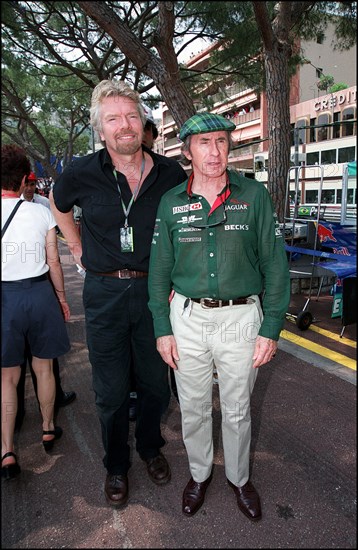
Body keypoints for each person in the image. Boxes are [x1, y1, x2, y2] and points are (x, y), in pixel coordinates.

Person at [49, 79, 187, 508]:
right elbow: (58, 203)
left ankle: (149, 448)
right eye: (113, 119)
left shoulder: (169, 174)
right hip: (104, 291)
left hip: (154, 292)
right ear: (100, 128)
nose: (124, 126)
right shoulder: (81, 172)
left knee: (155, 385)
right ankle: (115, 464)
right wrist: (73, 243)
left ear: (142, 121)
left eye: (131, 116)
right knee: (109, 391)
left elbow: (185, 229)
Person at [148, 112, 291, 520]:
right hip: (188, 318)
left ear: (230, 146)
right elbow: (159, 271)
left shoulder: (254, 195)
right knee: (192, 405)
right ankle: (198, 474)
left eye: (222, 142)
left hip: (242, 318)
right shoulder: (171, 203)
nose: (214, 151)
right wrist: (163, 328)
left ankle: (240, 478)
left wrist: (271, 328)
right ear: (187, 150)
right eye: (204, 143)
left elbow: (275, 266)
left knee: (238, 407)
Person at [1, 144, 71, 480]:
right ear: (21, 178)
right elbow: (54, 261)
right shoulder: (40, 212)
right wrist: (61, 297)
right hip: (40, 293)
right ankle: (47, 427)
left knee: (7, 377)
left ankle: (7, 450)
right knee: (44, 368)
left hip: (5, 299)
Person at [15, 172, 76, 431]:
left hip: (43, 282)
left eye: (32, 184)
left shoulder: (41, 206)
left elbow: (53, 257)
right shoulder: (14, 207)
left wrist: (58, 292)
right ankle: (19, 413)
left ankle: (55, 400)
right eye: (25, 184)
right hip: (20, 283)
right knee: (15, 358)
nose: (29, 188)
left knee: (46, 354)